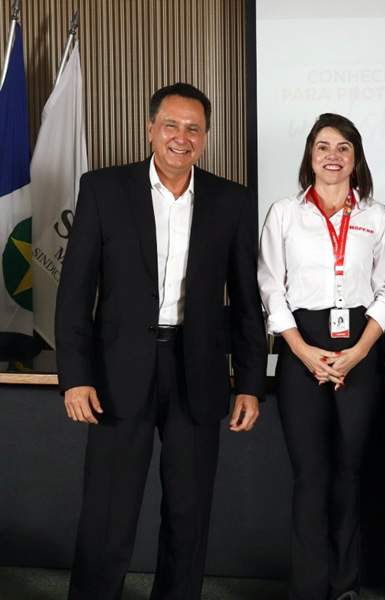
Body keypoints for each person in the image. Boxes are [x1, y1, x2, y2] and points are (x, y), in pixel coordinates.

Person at [56, 82, 267, 600]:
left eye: (193, 128)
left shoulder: (231, 201)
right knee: (108, 511)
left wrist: (250, 385)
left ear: (206, 137)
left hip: (196, 371)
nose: (181, 137)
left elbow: (245, 302)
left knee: (188, 515)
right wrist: (75, 378)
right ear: (150, 129)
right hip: (117, 373)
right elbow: (75, 293)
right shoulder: (103, 189)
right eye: (170, 125)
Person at [257, 113, 385, 600]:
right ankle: (310, 588)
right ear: (310, 156)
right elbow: (272, 287)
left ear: (356, 159)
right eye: (322, 147)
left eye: (343, 148)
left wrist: (356, 353)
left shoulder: (377, 217)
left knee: (350, 473)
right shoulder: (284, 214)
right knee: (310, 475)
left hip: (360, 346)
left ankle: (345, 585)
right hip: (301, 346)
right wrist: (302, 351)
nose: (332, 156)